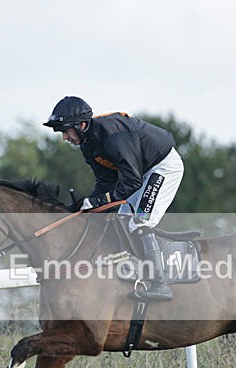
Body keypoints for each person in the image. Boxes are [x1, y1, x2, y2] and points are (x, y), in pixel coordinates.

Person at [43, 96, 185, 301]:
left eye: (65, 131)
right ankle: (135, 272)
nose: (64, 137)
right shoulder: (88, 146)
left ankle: (160, 284)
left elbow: (132, 182)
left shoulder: (112, 138)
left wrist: (98, 202)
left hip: (163, 167)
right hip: (142, 173)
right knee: (122, 221)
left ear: (81, 125)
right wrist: (86, 206)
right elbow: (106, 183)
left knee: (140, 221)